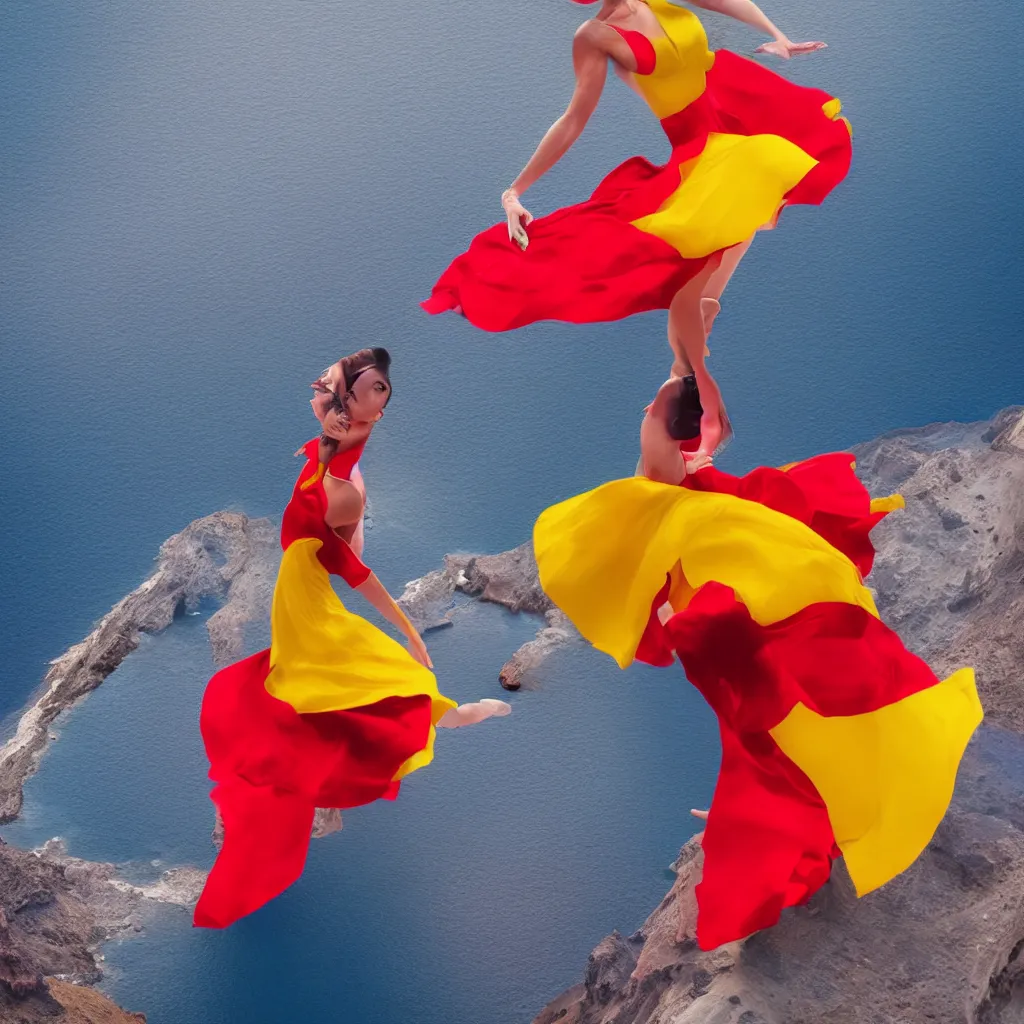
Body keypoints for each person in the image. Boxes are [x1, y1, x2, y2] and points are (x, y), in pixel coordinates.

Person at [531, 377, 982, 949]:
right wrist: (695, 329)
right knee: (762, 736)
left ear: (668, 430)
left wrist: (680, 622)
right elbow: (686, 378)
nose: (642, 408)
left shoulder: (673, 483)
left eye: (652, 408)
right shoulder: (676, 467)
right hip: (710, 609)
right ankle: (781, 810)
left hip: (721, 619)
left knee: (768, 736)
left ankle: (795, 824)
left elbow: (687, 417)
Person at [423, 0, 853, 460]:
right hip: (699, 152)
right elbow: (573, 119)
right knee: (697, 277)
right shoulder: (594, 35)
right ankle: (695, 410)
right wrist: (514, 191)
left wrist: (778, 34)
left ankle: (692, 409)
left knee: (705, 284)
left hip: (736, 110)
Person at [194, 349, 511, 929]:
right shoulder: (330, 476)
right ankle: (451, 715)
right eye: (355, 391)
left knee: (359, 689)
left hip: (305, 605)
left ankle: (457, 714)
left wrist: (411, 629)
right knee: (343, 693)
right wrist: (335, 413)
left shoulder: (338, 495)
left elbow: (359, 573)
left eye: (375, 394)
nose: (354, 404)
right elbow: (322, 408)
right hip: (299, 606)